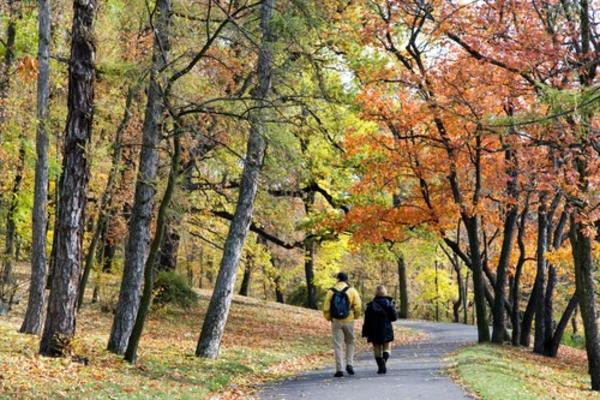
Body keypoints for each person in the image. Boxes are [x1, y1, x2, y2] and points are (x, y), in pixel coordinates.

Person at [323, 272, 362, 377]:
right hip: (349, 319)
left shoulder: (331, 291)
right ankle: (350, 364)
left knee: (338, 344)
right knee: (350, 342)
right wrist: (355, 316)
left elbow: (326, 308)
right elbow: (358, 306)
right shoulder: (352, 291)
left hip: (336, 320)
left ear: (337, 279)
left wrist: (329, 318)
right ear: (346, 280)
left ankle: (339, 369)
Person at [361, 285, 398, 374]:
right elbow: (394, 317)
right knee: (387, 347)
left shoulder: (370, 305)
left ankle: (380, 365)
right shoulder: (389, 303)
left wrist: (365, 332)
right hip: (386, 329)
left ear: (376, 293)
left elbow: (367, 321)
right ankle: (384, 362)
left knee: (377, 349)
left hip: (374, 330)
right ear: (385, 292)